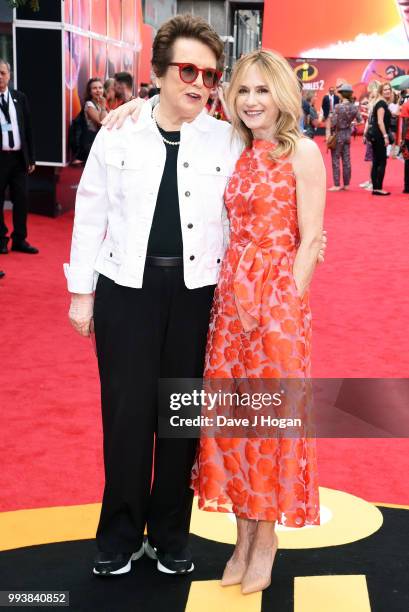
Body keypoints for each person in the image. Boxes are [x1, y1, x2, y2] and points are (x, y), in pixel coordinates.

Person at [71, 14, 327, 582]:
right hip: (126, 290)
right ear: (159, 72)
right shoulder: (119, 129)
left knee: (183, 423)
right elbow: (89, 213)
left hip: (200, 297)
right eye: (187, 70)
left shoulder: (227, 136)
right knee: (127, 419)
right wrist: (80, 295)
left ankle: (169, 537)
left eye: (210, 75)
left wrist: (295, 281)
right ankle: (118, 537)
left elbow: (294, 198)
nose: (200, 83)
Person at [191, 49, 325, 595]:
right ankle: (241, 538)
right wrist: (131, 109)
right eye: (242, 91)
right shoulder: (234, 147)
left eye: (261, 91)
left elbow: (311, 238)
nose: (250, 102)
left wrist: (285, 306)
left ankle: (265, 541)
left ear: (282, 95)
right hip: (229, 307)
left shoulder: (304, 154)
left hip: (276, 311)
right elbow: (177, 120)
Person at [0, 59, 38, 255]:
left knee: (22, 200)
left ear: (9, 75)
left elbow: (28, 129)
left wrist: (31, 158)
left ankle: (19, 239)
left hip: (18, 159)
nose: (0, 77)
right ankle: (0, 239)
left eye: (2, 73)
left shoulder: (19, 97)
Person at [328, 83, 362, 192]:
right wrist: (351, 124)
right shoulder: (354, 107)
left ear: (342, 95)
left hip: (338, 135)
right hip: (347, 135)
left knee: (336, 159)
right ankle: (346, 184)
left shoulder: (338, 107)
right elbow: (360, 121)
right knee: (347, 160)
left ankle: (337, 184)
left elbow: (333, 123)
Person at [71, 78, 107, 165]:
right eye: (94, 88)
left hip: (100, 141)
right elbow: (102, 123)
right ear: (90, 91)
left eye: (100, 87)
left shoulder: (101, 103)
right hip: (91, 143)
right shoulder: (89, 104)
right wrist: (103, 107)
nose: (98, 90)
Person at [366, 82, 393, 196]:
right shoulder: (381, 103)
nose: (387, 91)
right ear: (381, 91)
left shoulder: (381, 102)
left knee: (376, 161)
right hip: (379, 136)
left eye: (389, 89)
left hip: (376, 136)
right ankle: (378, 188)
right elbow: (380, 121)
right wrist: (385, 136)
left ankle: (376, 188)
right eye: (385, 89)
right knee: (381, 162)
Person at [400, 91, 409, 194]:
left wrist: (402, 140)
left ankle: (407, 187)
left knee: (408, 162)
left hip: (408, 138)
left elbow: (405, 124)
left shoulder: (406, 106)